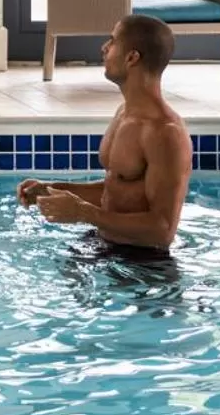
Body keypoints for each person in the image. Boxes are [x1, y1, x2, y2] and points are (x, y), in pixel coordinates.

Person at [16, 14, 193, 256]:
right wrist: (51, 190)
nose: (104, 48)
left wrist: (82, 213)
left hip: (145, 263)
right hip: (103, 242)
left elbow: (163, 231)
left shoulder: (165, 132)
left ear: (132, 57)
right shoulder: (124, 113)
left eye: (112, 41)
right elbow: (116, 189)